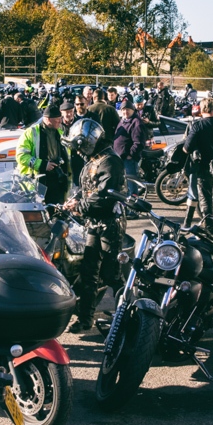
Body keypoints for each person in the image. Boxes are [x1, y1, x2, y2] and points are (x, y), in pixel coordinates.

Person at [67, 118, 124, 332]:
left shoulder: (110, 161)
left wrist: (79, 206)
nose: (79, 151)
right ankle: (84, 319)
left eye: (80, 146)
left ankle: (128, 317)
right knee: (89, 271)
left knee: (112, 274)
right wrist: (74, 199)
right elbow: (86, 187)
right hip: (94, 222)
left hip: (110, 223)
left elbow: (103, 197)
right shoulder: (94, 159)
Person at [185, 96, 213, 236]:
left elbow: (187, 147)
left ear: (202, 108)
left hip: (204, 167)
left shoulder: (198, 125)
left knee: (206, 200)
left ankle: (209, 230)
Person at [16, 105, 70, 203]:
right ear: (48, 119)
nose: (60, 122)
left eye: (60, 119)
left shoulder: (60, 133)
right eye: (57, 119)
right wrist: (42, 164)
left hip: (57, 180)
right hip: (36, 182)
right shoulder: (30, 133)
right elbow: (21, 156)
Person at [111, 98, 147, 178]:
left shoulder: (136, 123)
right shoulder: (123, 120)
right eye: (123, 110)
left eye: (128, 110)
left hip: (129, 159)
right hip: (120, 157)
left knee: (131, 182)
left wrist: (130, 155)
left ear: (133, 110)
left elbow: (139, 142)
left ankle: (133, 191)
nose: (125, 112)